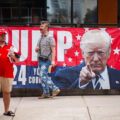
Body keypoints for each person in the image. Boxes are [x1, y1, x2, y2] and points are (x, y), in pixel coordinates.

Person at [54, 30, 120, 89]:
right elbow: (64, 101)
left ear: (109, 53)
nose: (96, 59)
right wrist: (82, 83)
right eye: (90, 53)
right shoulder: (64, 75)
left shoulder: (118, 76)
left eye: (101, 53)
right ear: (83, 53)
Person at [35, 21, 60, 98]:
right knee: (41, 75)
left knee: (43, 75)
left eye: (42, 26)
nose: (40, 28)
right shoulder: (40, 38)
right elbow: (36, 49)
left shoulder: (50, 38)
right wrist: (36, 49)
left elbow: (53, 50)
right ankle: (46, 93)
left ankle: (55, 88)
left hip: (47, 60)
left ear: (46, 28)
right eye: (40, 26)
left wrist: (52, 61)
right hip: (40, 59)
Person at [0, 29, 20, 116]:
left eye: (4, 35)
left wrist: (13, 56)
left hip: (7, 73)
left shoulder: (11, 47)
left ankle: (6, 110)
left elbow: (17, 60)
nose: (4, 36)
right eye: (1, 35)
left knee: (7, 92)